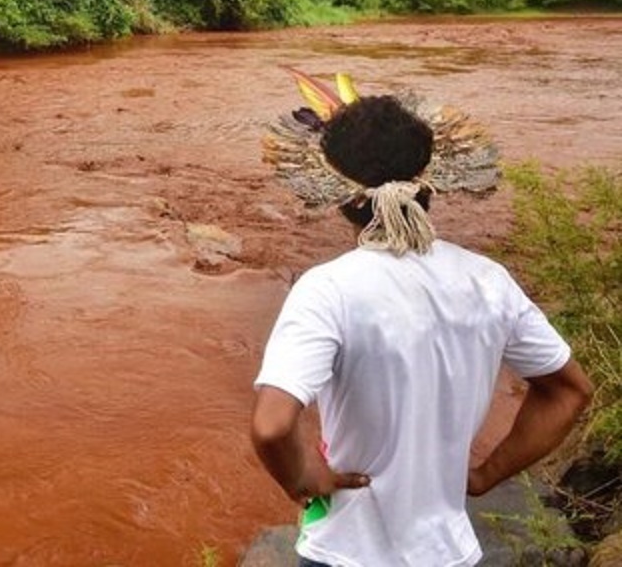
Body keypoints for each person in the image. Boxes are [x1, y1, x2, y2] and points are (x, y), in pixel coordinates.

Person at [252, 92, 593, 567]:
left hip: (346, 551)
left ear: (341, 198)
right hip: (448, 552)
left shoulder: (327, 289)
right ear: (429, 184)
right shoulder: (487, 281)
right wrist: (483, 476)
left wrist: (304, 477)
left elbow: (271, 427)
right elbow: (569, 392)